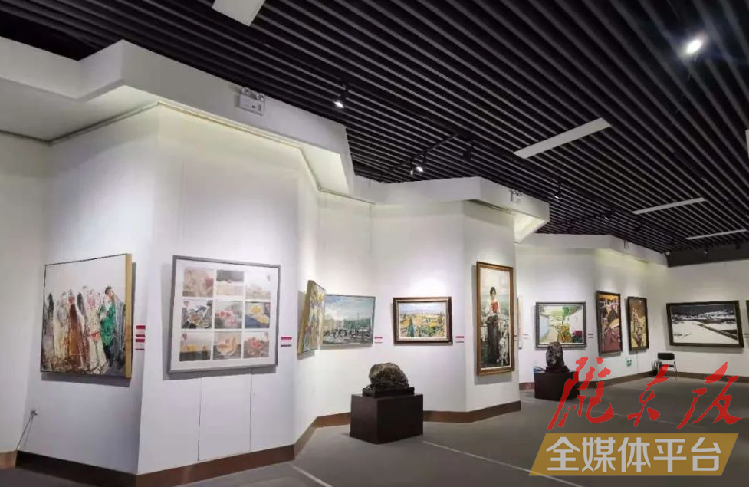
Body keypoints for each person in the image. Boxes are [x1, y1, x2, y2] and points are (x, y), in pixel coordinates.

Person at [485, 287, 500, 364]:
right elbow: (485, 311)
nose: (493, 295)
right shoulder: (488, 301)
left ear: (495, 294)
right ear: (490, 294)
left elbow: (499, 311)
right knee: (491, 339)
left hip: (495, 319)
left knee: (495, 338)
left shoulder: (497, 301)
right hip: (490, 320)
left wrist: (496, 310)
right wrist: (490, 310)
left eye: (494, 293)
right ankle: (491, 358)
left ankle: (496, 357)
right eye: (492, 293)